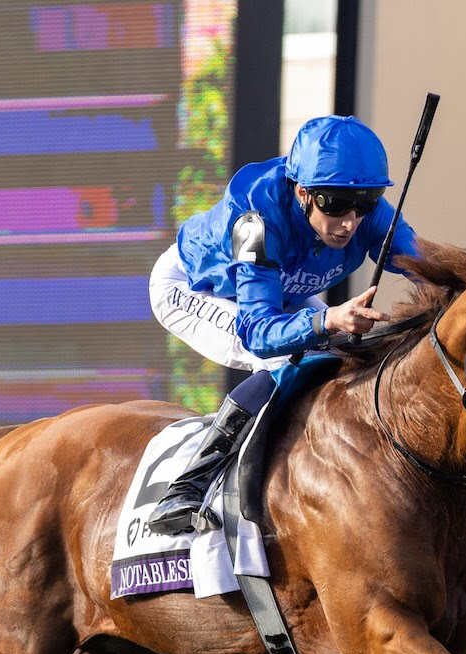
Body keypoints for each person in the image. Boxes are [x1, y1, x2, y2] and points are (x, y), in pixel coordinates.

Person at [145, 114, 421, 535]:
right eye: (335, 204)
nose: (350, 221)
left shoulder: (365, 213)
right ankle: (185, 490)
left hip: (278, 295)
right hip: (195, 288)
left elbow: (427, 265)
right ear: (303, 192)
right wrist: (327, 318)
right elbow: (257, 333)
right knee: (283, 361)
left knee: (342, 354)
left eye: (364, 204)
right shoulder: (254, 223)